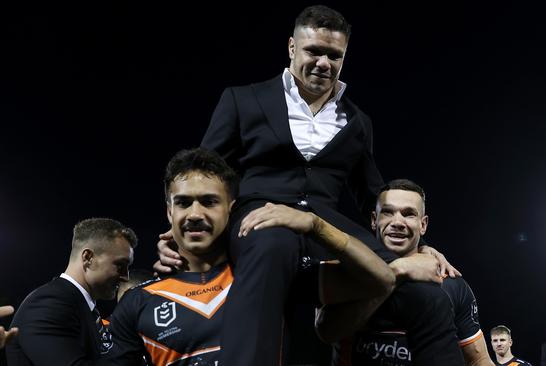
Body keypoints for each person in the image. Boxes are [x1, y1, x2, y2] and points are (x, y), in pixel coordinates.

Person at [158, 5, 460, 365]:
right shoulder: (243, 99)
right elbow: (203, 172)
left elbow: (371, 196)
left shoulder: (358, 121)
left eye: (334, 55)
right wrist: (178, 235)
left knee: (430, 288)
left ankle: (398, 276)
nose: (323, 62)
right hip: (262, 214)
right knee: (273, 243)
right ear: (291, 47)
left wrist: (419, 245)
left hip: (325, 225)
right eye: (314, 51)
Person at [106, 148, 396, 365]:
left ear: (231, 209)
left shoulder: (268, 275)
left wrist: (316, 225)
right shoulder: (138, 302)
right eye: (183, 203)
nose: (195, 214)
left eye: (209, 202)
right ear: (170, 211)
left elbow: (379, 278)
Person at [329, 179, 493, 366]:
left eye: (408, 214)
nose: (397, 222)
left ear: (423, 225)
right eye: (388, 212)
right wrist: (398, 270)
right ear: (374, 220)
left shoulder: (452, 284)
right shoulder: (346, 273)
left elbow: (479, 360)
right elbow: (324, 329)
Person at [6, 218, 137, 365]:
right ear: (88, 257)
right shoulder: (49, 303)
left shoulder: (79, 306)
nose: (126, 277)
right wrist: (133, 343)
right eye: (120, 265)